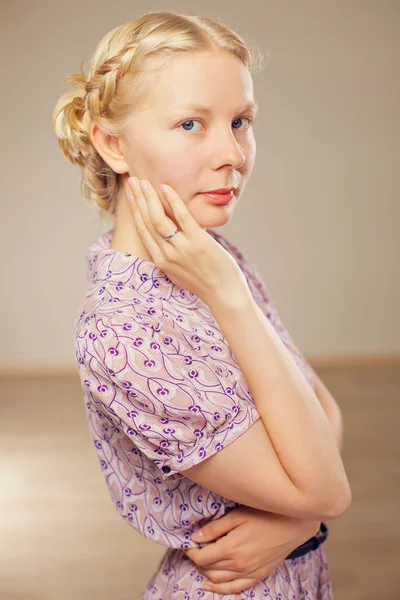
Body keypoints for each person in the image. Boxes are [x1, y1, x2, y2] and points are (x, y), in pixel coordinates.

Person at [52, 11, 351, 599]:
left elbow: (323, 417)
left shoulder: (215, 262)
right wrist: (306, 514)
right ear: (113, 143)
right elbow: (329, 489)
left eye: (241, 121)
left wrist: (293, 524)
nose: (232, 153)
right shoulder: (121, 331)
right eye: (191, 123)